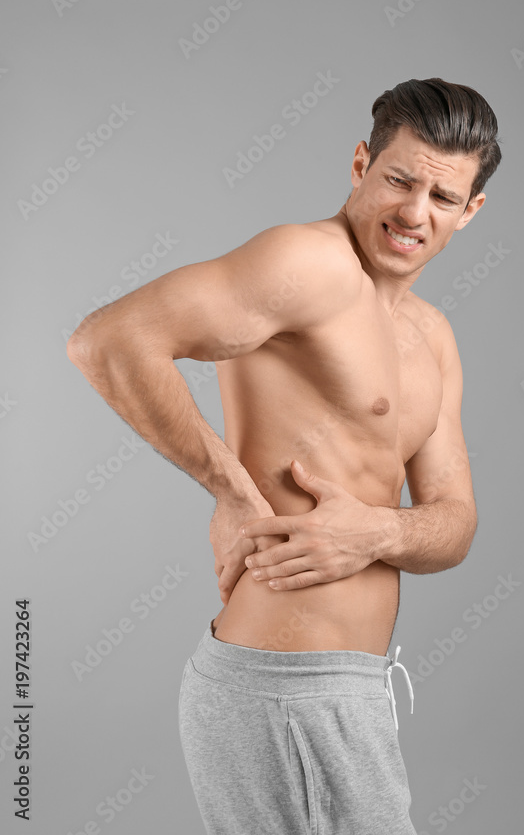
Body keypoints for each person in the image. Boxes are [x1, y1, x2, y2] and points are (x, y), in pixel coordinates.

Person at [67, 77, 502, 835]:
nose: (413, 213)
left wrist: (379, 531)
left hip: (350, 689)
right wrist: (229, 491)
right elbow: (107, 340)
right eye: (399, 180)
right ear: (361, 162)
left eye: (441, 198)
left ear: (470, 212)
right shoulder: (310, 264)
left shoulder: (431, 337)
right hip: (284, 687)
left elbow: (454, 524)